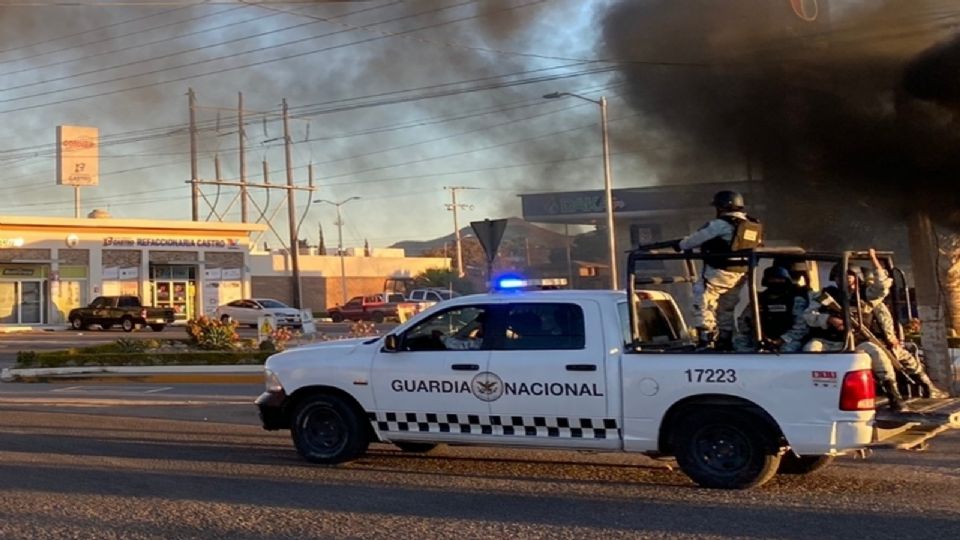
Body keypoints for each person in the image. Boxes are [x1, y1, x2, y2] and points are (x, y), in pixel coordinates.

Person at [803, 249, 908, 410]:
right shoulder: (825, 296)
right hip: (828, 341)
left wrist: (874, 260)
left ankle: (893, 395)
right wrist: (829, 319)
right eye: (839, 276)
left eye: (848, 275)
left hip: (858, 341)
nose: (843, 279)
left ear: (856, 277)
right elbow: (809, 315)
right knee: (810, 351)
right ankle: (813, 396)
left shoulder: (865, 295)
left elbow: (882, 287)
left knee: (879, 355)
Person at [676, 190, 763, 350]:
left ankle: (706, 339)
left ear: (722, 207)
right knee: (726, 307)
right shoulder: (752, 224)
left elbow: (691, 242)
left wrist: (680, 244)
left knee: (702, 302)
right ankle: (725, 338)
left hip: (719, 273)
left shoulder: (720, 224)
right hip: (741, 274)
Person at [734, 265, 810, 353]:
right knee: (740, 344)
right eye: (772, 279)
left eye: (780, 279)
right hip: (760, 338)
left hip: (788, 340)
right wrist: (757, 336)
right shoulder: (758, 299)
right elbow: (744, 321)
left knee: (786, 351)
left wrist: (781, 340)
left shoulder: (795, 300)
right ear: (766, 281)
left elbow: (801, 327)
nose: (776, 282)